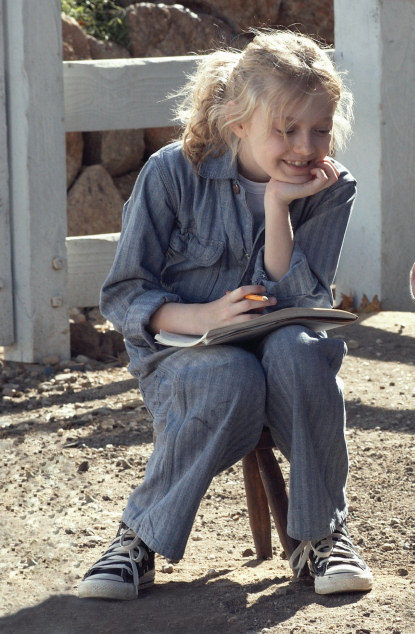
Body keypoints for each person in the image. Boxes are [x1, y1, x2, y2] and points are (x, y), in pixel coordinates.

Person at [77, 30, 372, 600]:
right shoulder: (171, 173)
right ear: (238, 122)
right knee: (229, 376)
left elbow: (304, 297)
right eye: (286, 130)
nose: (305, 146)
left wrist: (279, 206)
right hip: (187, 356)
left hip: (281, 353)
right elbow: (124, 293)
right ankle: (136, 541)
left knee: (303, 350)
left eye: (319, 127)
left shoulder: (330, 188)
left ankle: (322, 536)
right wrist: (208, 316)